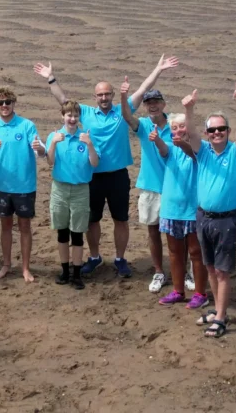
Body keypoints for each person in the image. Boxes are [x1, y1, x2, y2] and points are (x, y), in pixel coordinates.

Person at [33, 55, 179, 278]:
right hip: (92, 176)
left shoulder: (123, 110)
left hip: (118, 175)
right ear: (95, 97)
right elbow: (64, 102)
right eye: (100, 94)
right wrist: (51, 78)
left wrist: (158, 69)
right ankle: (94, 256)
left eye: (107, 94)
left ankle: (120, 258)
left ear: (112, 95)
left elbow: (142, 89)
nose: (103, 97)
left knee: (121, 219)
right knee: (93, 220)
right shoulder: (87, 113)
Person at [176, 84, 236, 340]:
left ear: (228, 131)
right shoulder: (204, 151)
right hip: (203, 217)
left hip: (226, 221)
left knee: (222, 271)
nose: (217, 133)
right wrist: (189, 109)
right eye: (213, 130)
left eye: (221, 129)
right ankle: (218, 309)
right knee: (210, 267)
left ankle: (220, 317)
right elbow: (191, 132)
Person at [148, 108, 209, 310]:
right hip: (171, 209)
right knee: (175, 252)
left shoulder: (202, 149)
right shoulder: (171, 149)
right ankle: (178, 290)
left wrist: (183, 143)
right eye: (174, 128)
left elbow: (193, 155)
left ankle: (200, 293)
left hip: (193, 210)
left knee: (195, 252)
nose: (179, 130)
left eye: (182, 126)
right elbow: (163, 149)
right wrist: (156, 139)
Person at [42, 101, 98, 290]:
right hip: (60, 188)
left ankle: (76, 273)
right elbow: (50, 162)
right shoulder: (54, 136)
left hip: (81, 189)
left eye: (75, 116)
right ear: (63, 116)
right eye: (69, 115)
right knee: (62, 231)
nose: (72, 119)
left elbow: (95, 163)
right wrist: (53, 144)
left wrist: (89, 145)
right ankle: (65, 271)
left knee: (77, 232)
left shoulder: (86, 136)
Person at [0, 88, 39, 282]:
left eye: (8, 102)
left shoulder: (26, 125)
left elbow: (38, 150)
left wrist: (39, 147)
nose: (5, 106)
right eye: (1, 103)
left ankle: (25, 268)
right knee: (5, 226)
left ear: (14, 103)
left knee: (25, 226)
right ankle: (6, 264)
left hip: (24, 186)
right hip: (2, 186)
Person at [123, 85, 173, 293]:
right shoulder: (143, 125)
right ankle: (159, 271)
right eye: (149, 103)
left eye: (156, 102)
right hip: (150, 187)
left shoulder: (175, 124)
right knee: (153, 231)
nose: (153, 106)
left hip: (173, 187)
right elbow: (126, 115)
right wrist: (124, 95)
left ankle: (183, 271)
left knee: (176, 234)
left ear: (163, 104)